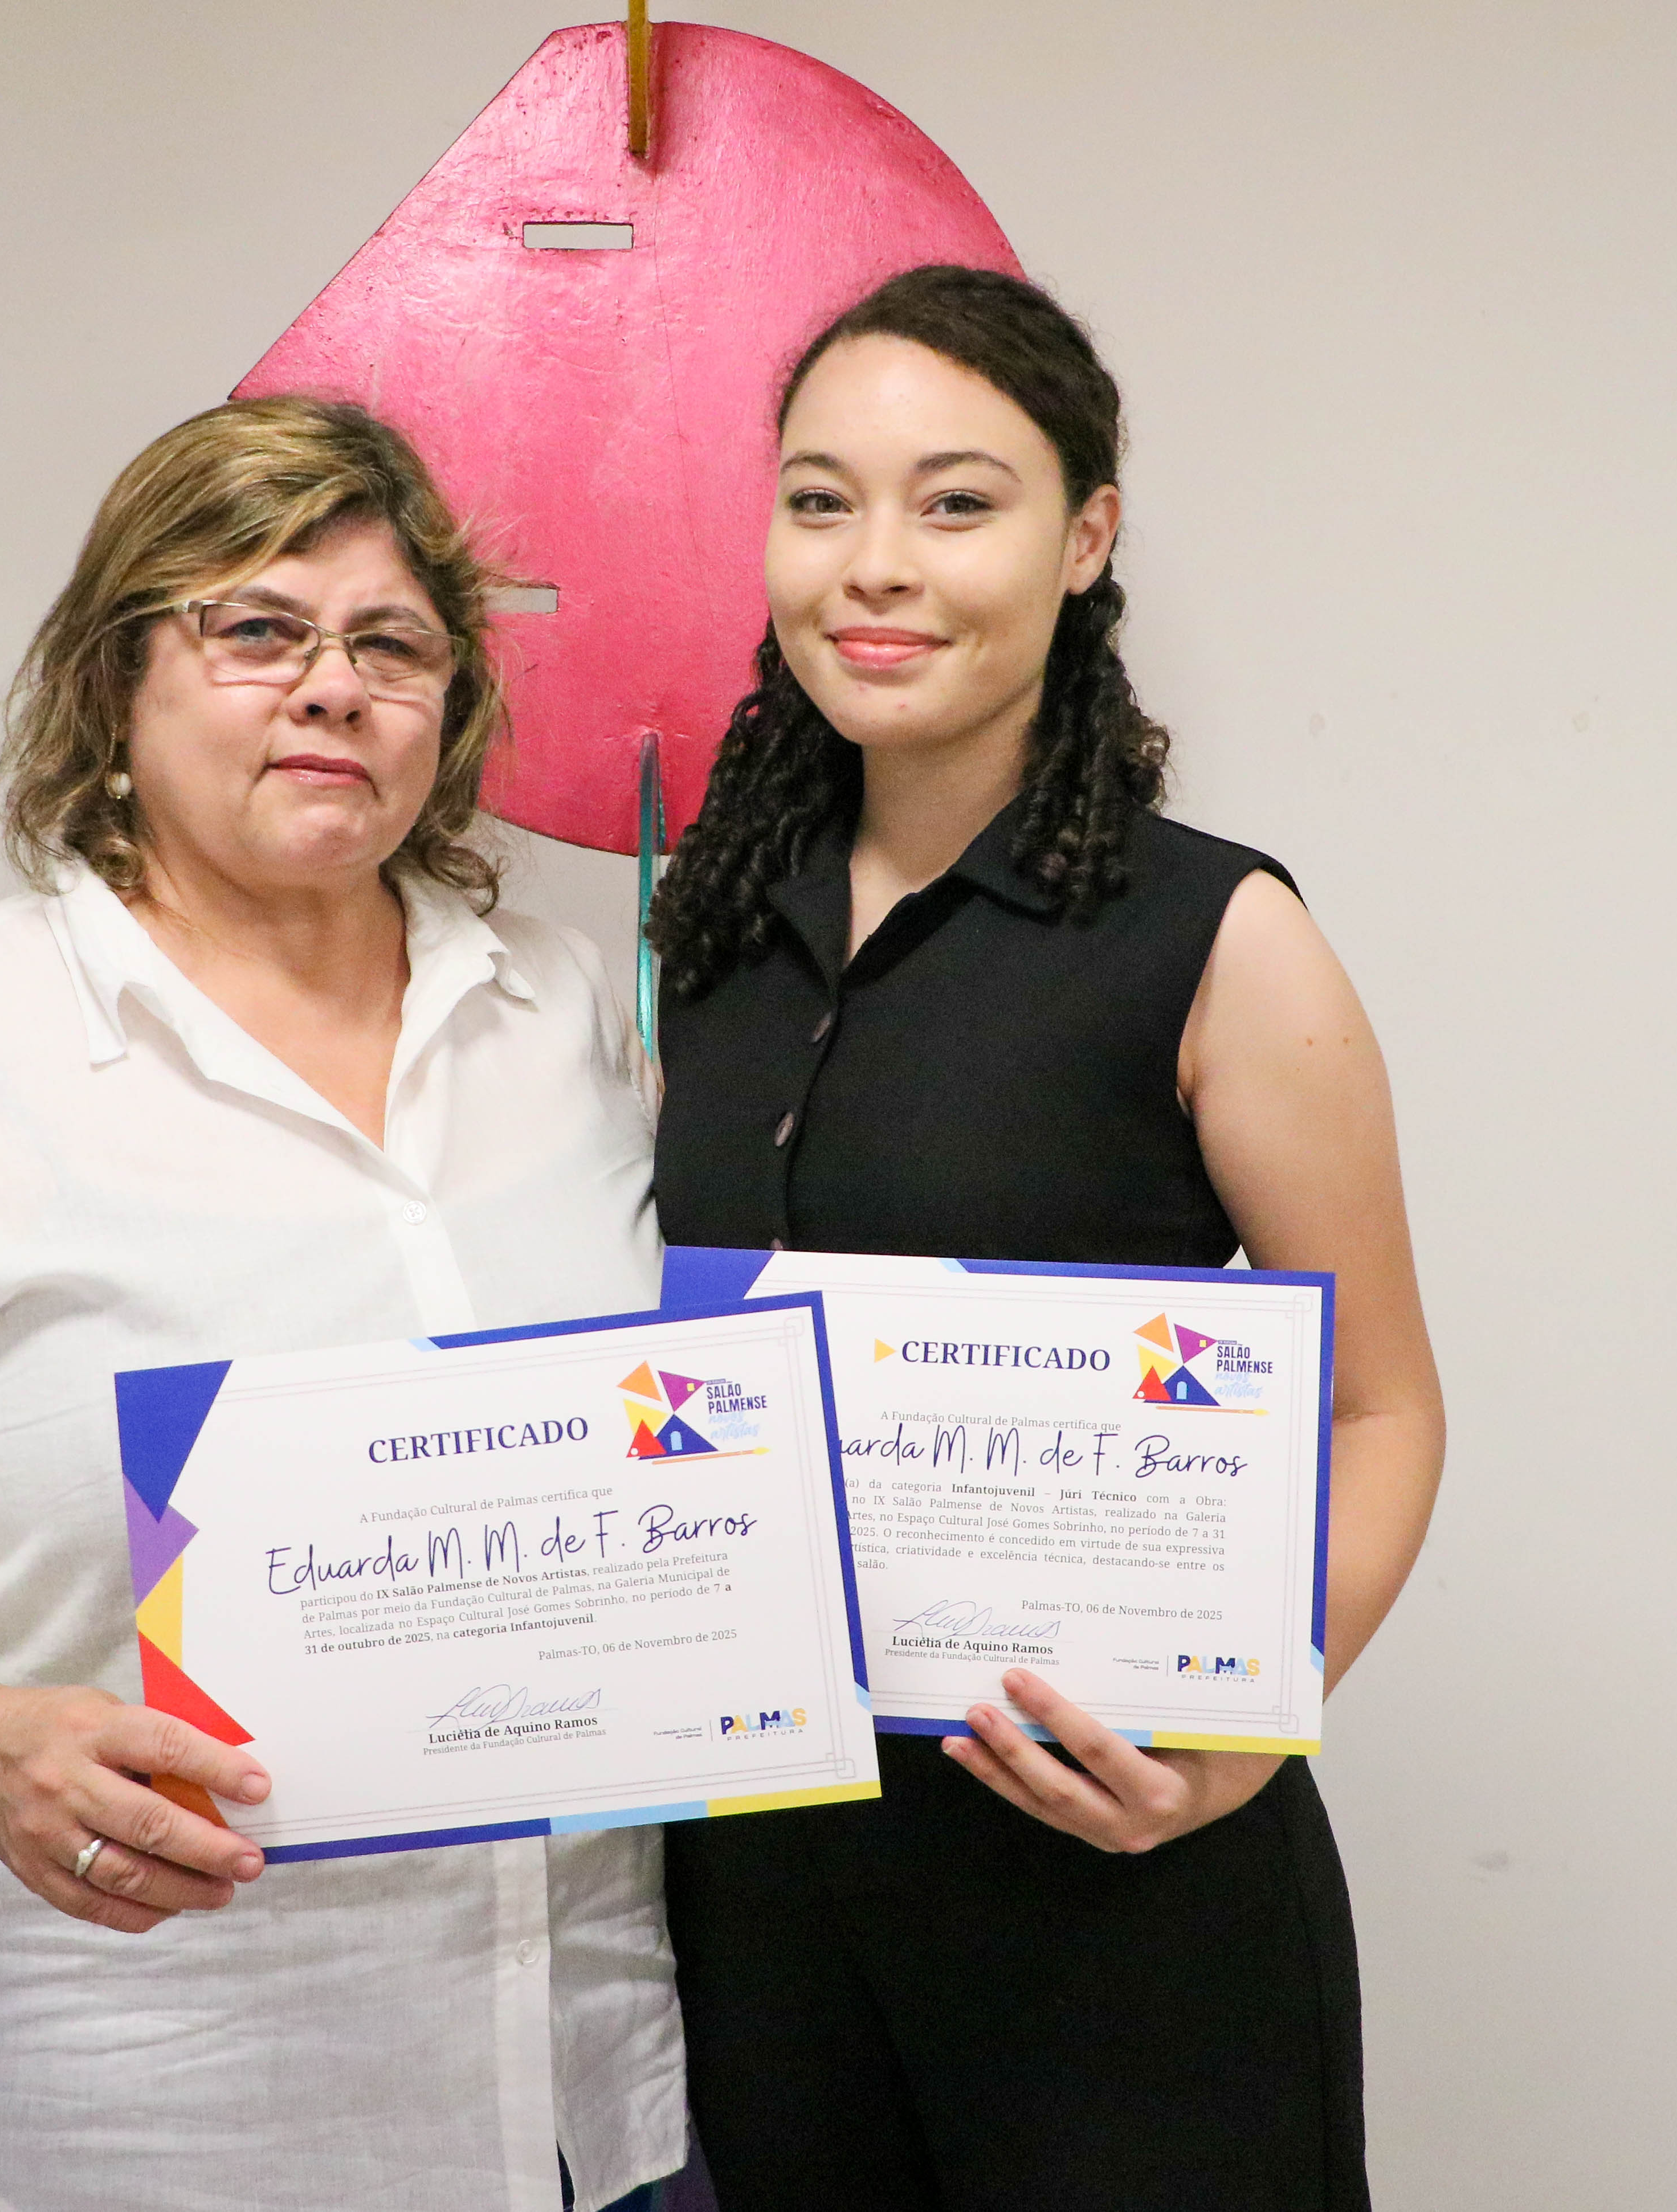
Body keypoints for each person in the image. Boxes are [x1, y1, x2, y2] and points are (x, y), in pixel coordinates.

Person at [0, 397, 683, 2212]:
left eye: (393, 644)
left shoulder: (575, 1023)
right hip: (110, 2107)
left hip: (580, 2097)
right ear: (115, 685)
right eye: (255, 629)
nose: (332, 687)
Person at [646, 266, 1447, 2209]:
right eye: (820, 499)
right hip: (765, 1914)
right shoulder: (708, 938)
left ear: (1086, 541)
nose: (876, 565)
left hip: (1116, 1902)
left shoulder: (1218, 938)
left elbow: (1385, 1413)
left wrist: (1239, 1745)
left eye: (958, 500)